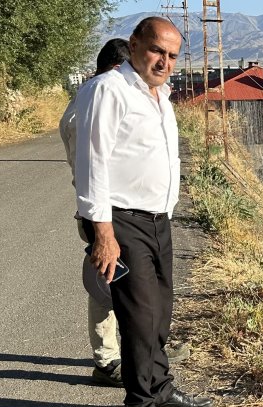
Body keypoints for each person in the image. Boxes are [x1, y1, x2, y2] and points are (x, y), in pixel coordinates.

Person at [74, 17, 210, 407]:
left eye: (172, 56)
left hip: (157, 219)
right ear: (134, 45)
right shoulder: (108, 90)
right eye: (157, 51)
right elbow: (92, 163)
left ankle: (161, 387)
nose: (164, 62)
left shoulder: (160, 95)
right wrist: (103, 233)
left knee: (160, 312)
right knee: (139, 316)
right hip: (122, 221)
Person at [61, 39, 190, 387]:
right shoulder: (94, 101)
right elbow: (91, 169)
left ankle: (143, 355)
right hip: (110, 212)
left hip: (129, 212)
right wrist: (102, 225)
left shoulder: (123, 97)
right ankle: (109, 360)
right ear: (120, 66)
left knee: (131, 290)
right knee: (110, 287)